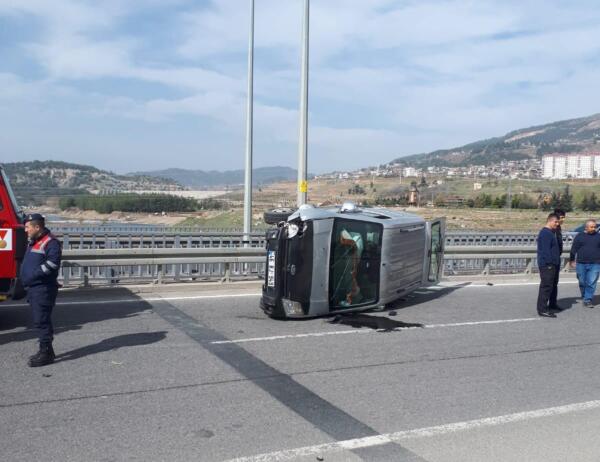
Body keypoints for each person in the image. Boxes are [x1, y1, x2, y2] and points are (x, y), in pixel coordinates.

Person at [20, 213, 62, 367]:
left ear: (37, 227)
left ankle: (46, 353)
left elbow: (52, 264)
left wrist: (32, 276)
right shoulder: (35, 240)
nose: (26, 230)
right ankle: (46, 350)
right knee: (40, 320)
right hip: (35, 287)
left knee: (42, 321)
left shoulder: (51, 242)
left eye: (28, 227)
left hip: (43, 288)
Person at [569, 219, 600, 307]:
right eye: (591, 227)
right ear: (586, 227)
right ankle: (585, 295)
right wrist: (571, 260)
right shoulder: (579, 236)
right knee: (582, 281)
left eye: (595, 227)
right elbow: (574, 249)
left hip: (595, 263)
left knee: (591, 282)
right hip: (581, 263)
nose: (593, 228)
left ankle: (587, 299)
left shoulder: (598, 236)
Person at [536, 213, 561, 317]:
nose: (557, 224)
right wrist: (549, 264)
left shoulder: (551, 232)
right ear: (550, 221)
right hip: (547, 265)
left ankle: (552, 304)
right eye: (556, 222)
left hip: (553, 264)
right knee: (546, 286)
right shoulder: (545, 233)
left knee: (553, 285)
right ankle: (542, 309)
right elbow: (545, 251)